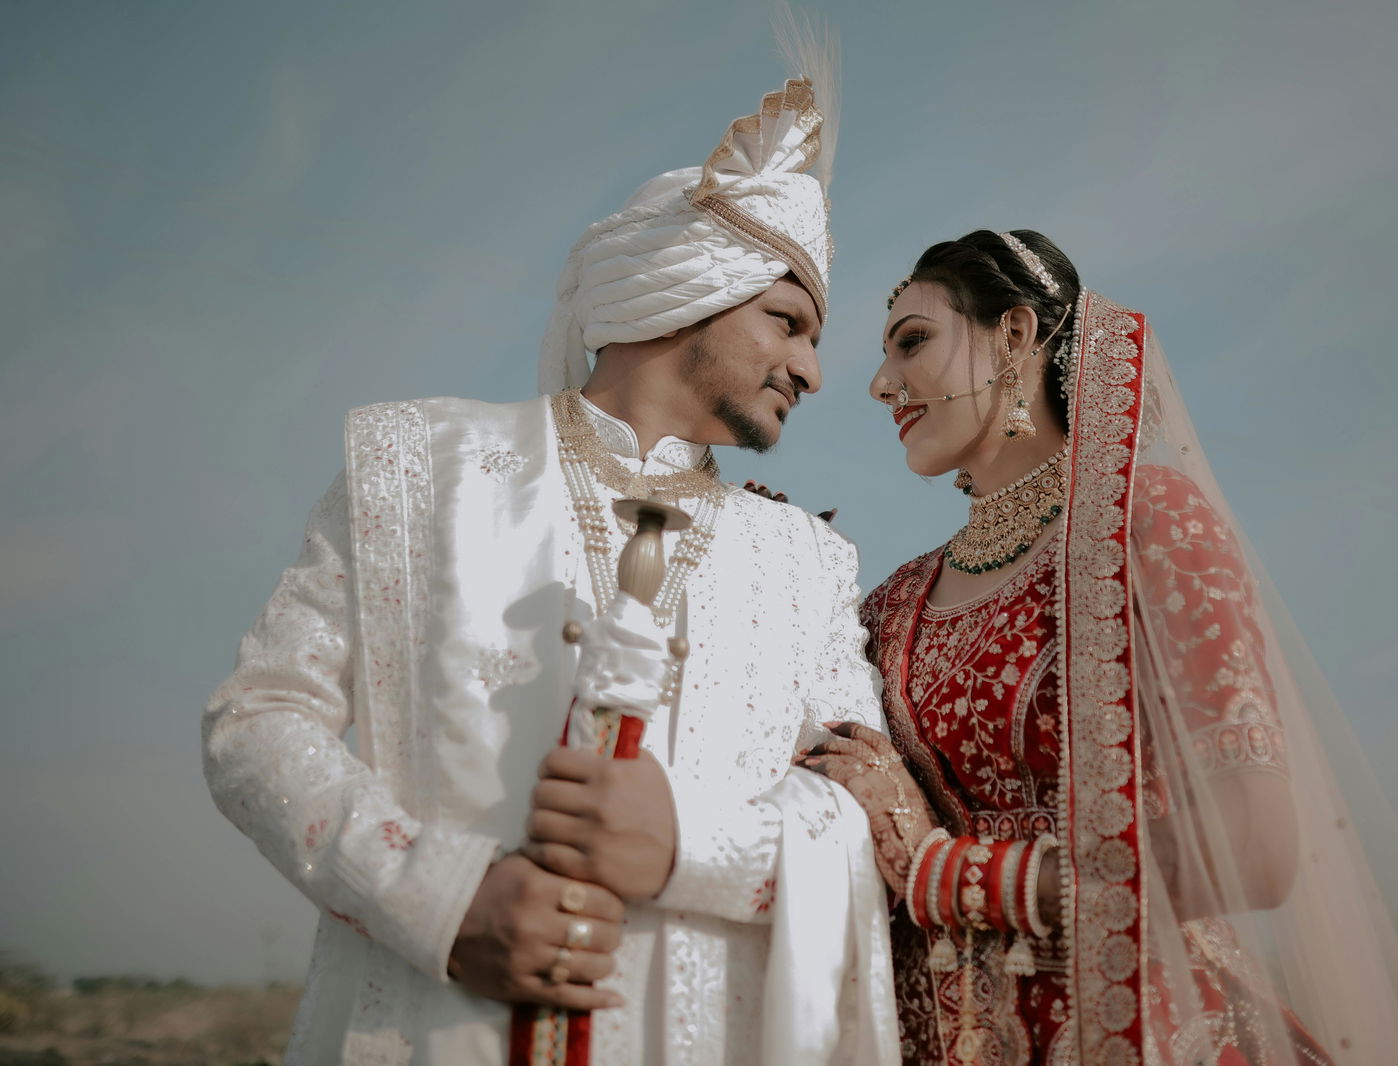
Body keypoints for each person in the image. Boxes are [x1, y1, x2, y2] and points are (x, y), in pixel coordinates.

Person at [202, 63, 899, 1066]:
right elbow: (260, 717)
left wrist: (683, 845)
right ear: (685, 289)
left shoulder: (808, 560)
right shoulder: (417, 467)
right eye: (785, 322)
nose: (812, 371)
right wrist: (445, 901)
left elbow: (855, 811)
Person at [799, 229, 1398, 1065]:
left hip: (1150, 1029)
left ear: (1016, 334)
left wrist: (943, 871)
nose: (882, 384)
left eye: (912, 342)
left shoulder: (1146, 526)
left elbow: (1255, 850)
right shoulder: (894, 602)